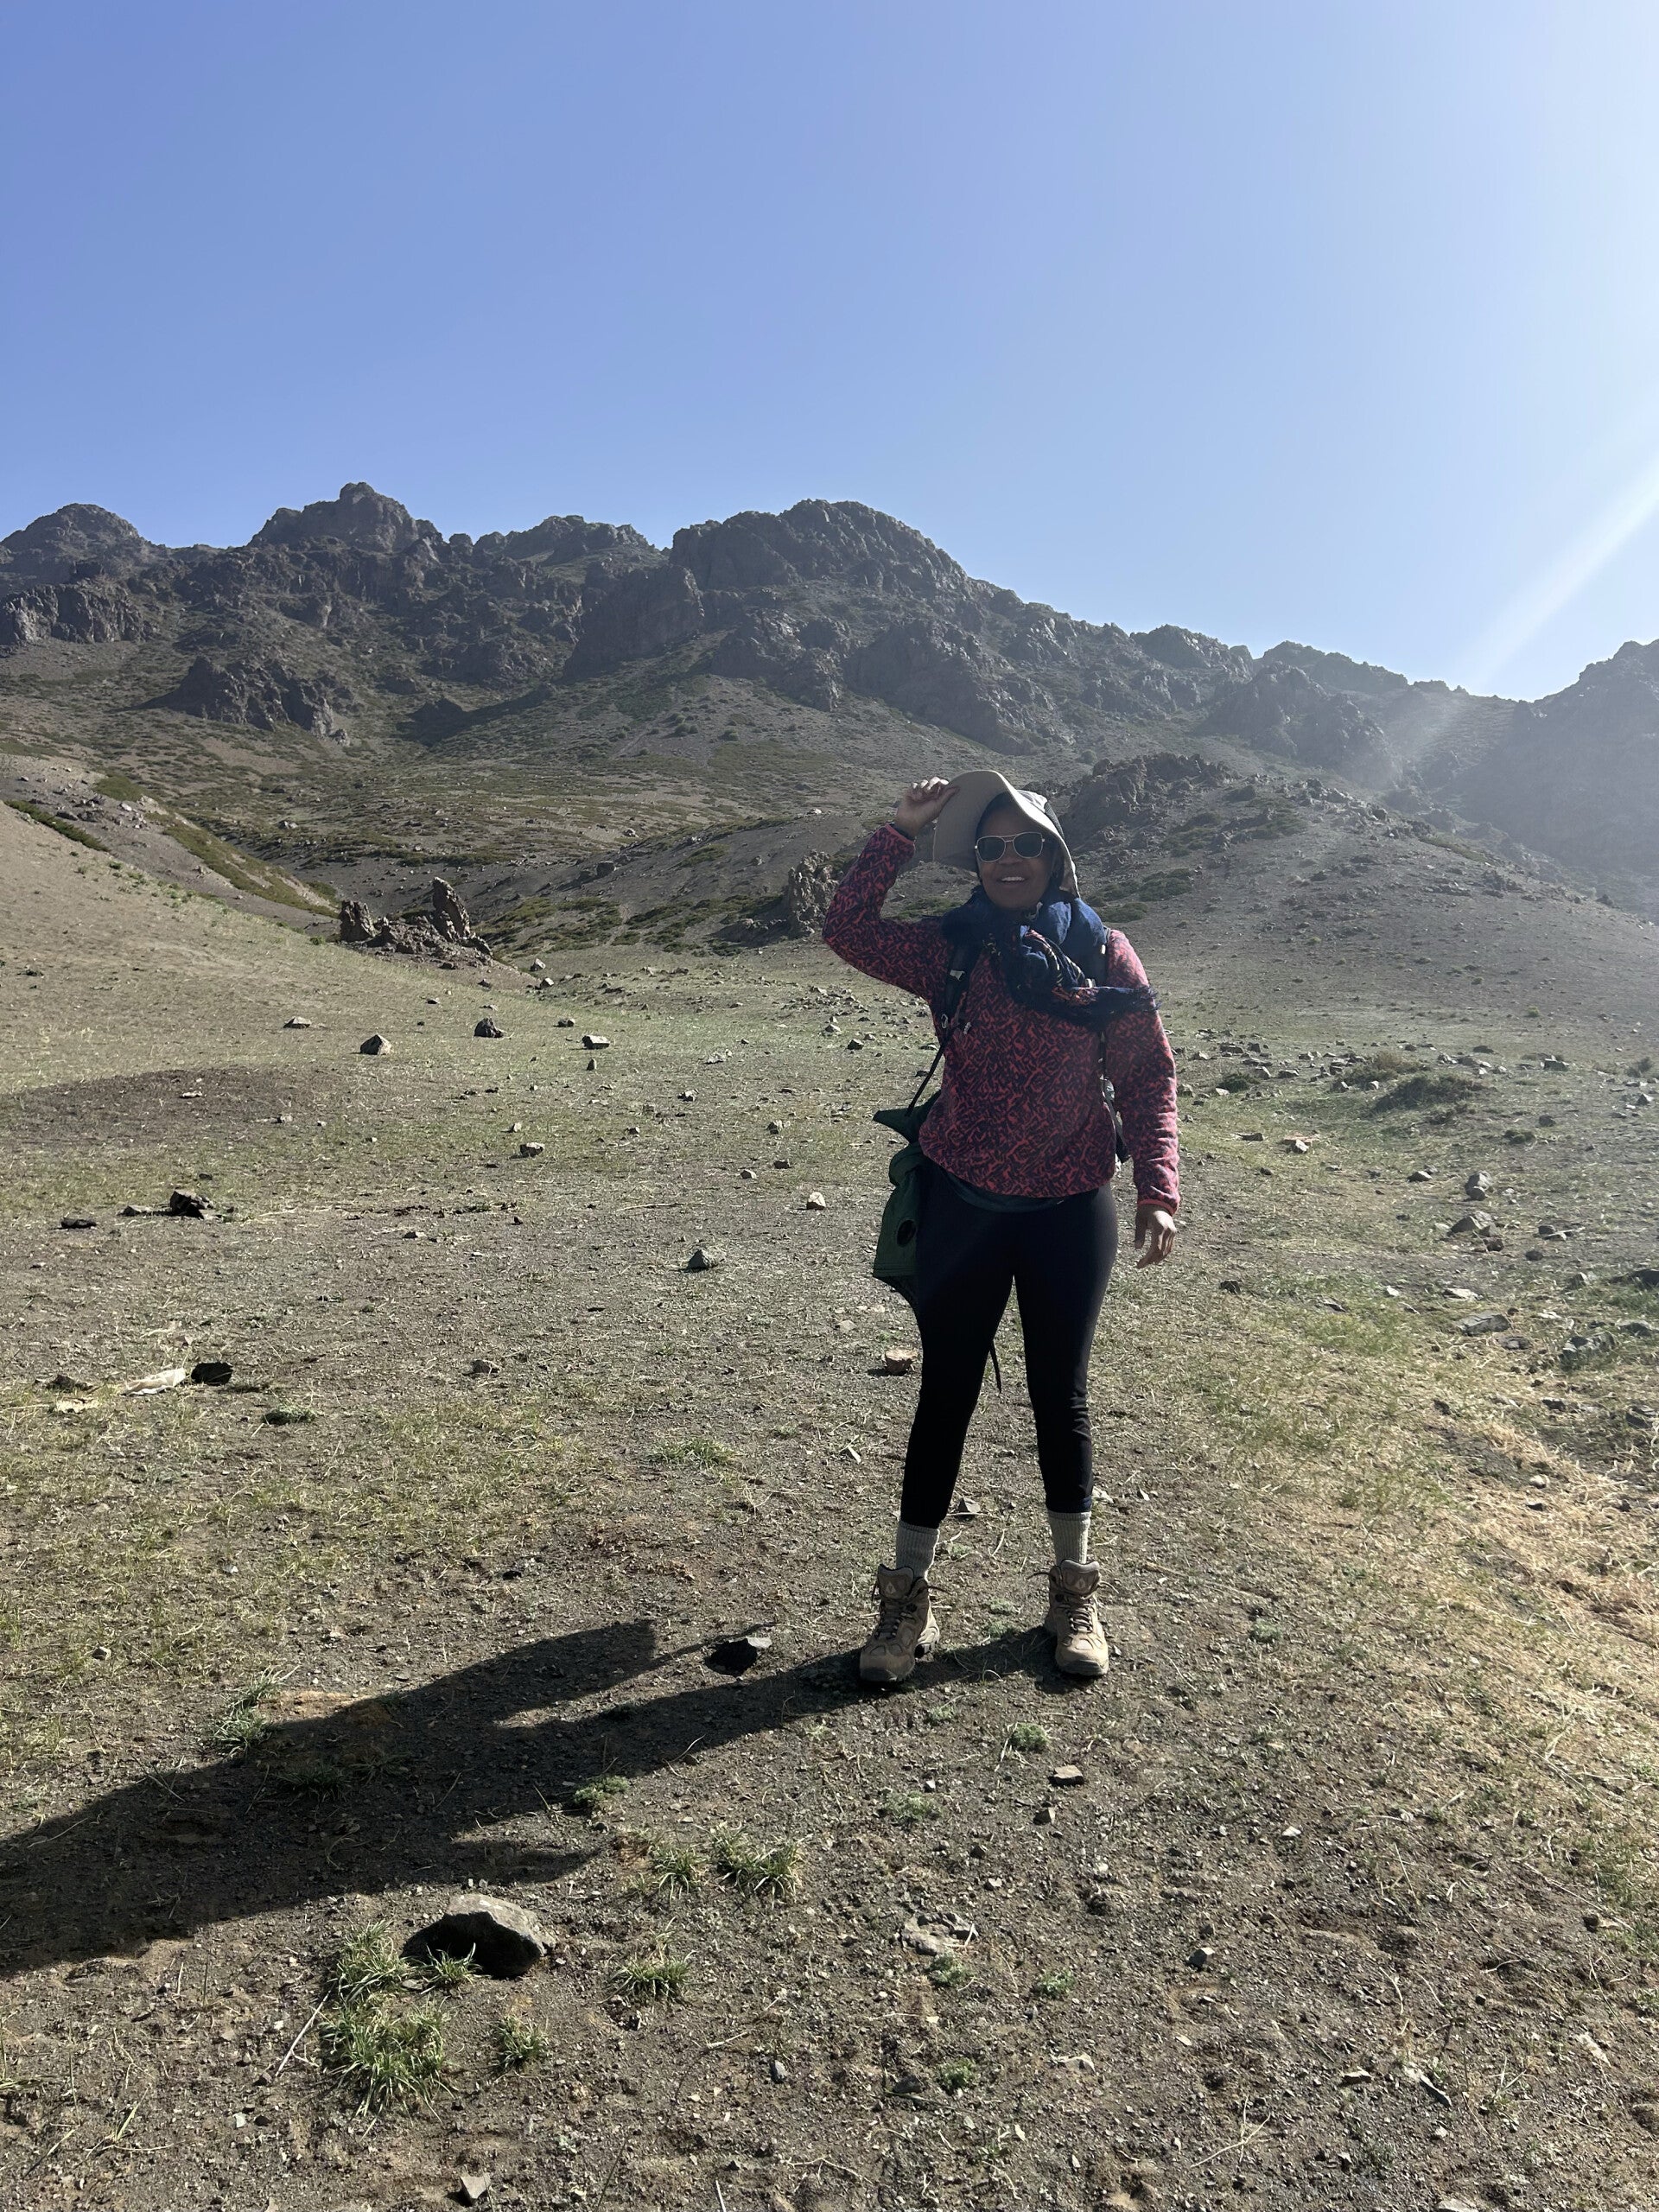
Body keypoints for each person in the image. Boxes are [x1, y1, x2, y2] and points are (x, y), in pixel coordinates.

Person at [822, 771, 1179, 1686]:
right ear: (975, 864)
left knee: (1060, 1400)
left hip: (1068, 1210)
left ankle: (1073, 1594)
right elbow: (847, 930)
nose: (1009, 859)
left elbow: (1146, 1075)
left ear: (1054, 856)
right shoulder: (952, 946)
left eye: (1025, 844)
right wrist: (898, 832)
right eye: (990, 846)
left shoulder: (1104, 952)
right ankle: (905, 1600)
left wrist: (1157, 1185)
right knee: (945, 1393)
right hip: (961, 1202)